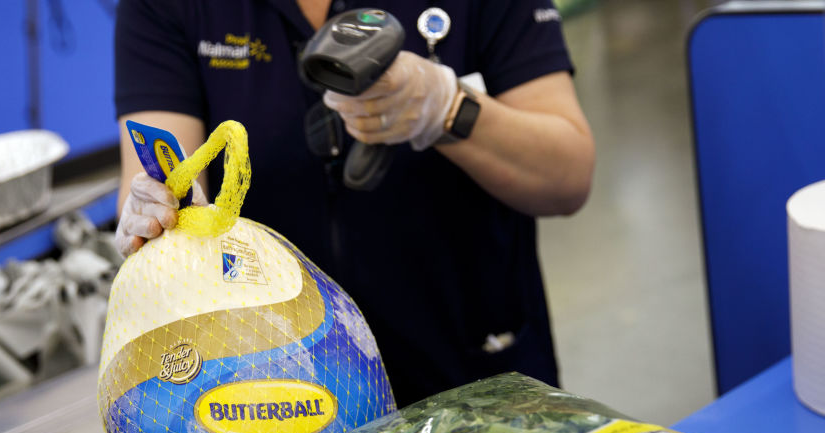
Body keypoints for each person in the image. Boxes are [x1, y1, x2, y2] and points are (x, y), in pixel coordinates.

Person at [113, 0, 595, 408]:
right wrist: (160, 218)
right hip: (287, 398)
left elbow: (567, 175)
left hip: (483, 379)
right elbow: (158, 171)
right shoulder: (167, 7)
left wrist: (448, 107)